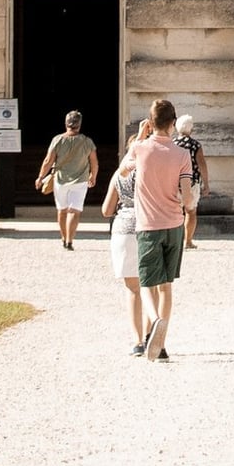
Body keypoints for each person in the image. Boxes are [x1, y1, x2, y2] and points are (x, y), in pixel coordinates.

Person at [131, 97, 197, 361]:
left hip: (148, 225)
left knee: (147, 284)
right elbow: (187, 196)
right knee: (167, 285)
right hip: (174, 224)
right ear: (173, 122)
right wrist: (187, 206)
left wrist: (139, 136)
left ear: (150, 121)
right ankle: (162, 343)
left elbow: (123, 171)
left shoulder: (140, 149)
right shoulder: (182, 154)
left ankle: (155, 321)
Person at [102, 115, 154, 354]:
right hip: (147, 225)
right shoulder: (150, 173)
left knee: (132, 288)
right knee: (150, 286)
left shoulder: (119, 175)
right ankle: (150, 331)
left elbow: (105, 210)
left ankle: (137, 341)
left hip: (123, 228)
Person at [38, 110, 98, 250]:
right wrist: (93, 175)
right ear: (79, 124)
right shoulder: (87, 141)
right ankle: (70, 240)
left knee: (62, 210)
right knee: (74, 211)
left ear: (66, 123)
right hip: (80, 180)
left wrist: (41, 176)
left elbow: (48, 160)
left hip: (60, 180)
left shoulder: (58, 140)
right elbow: (94, 162)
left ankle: (64, 238)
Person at [174, 112, 210, 248]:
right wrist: (206, 184)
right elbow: (202, 165)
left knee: (174, 212)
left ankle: (176, 240)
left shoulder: (172, 143)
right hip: (191, 182)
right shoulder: (195, 145)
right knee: (191, 211)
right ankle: (188, 241)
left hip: (174, 182)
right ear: (191, 129)